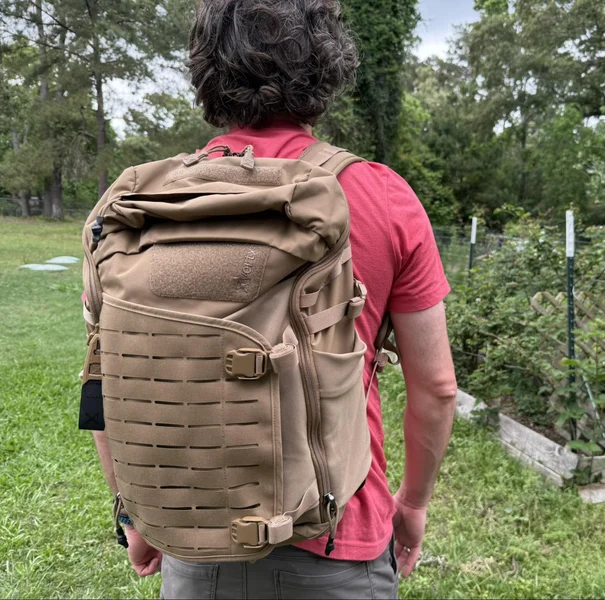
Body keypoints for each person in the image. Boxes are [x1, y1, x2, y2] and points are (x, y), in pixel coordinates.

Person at [87, 1, 458, 598]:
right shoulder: (379, 194)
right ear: (327, 67)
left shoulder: (139, 207)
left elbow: (106, 375)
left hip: (194, 532)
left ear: (206, 71)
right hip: (338, 536)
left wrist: (135, 513)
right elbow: (436, 388)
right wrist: (412, 504)